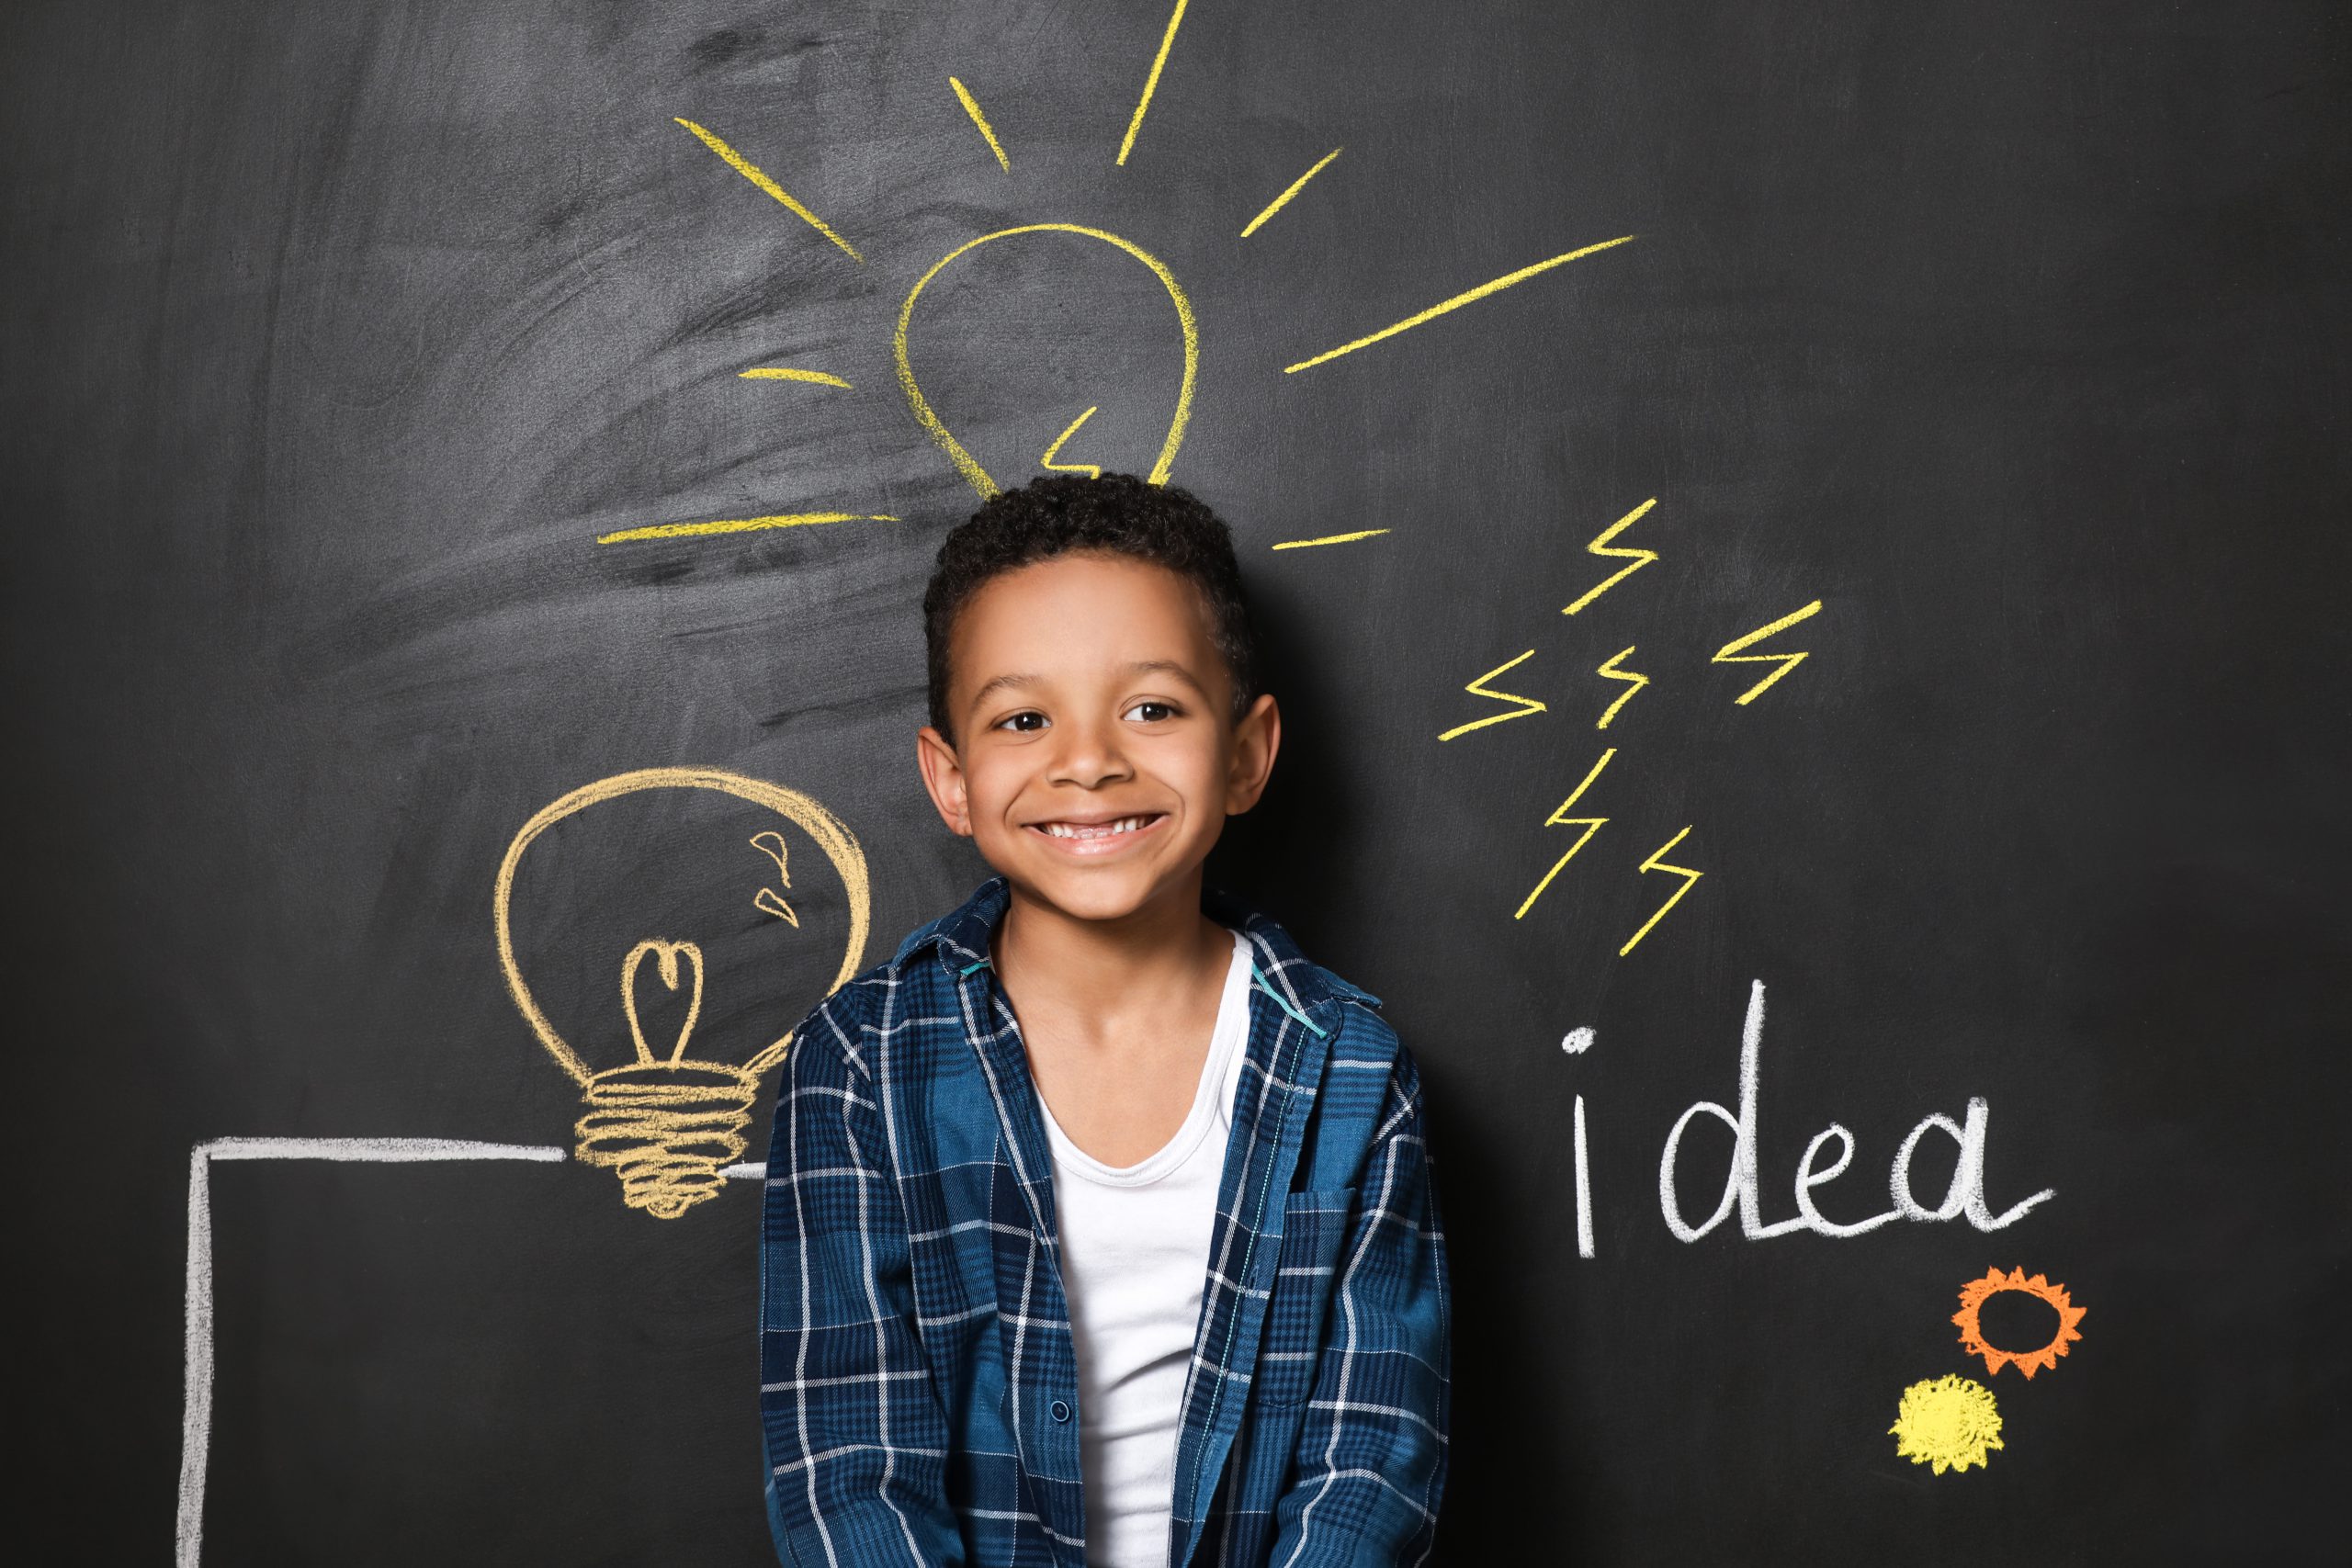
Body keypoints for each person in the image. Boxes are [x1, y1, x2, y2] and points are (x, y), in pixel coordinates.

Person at [758, 474, 1450, 1568]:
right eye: (1024, 719)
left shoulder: (1348, 1072)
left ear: (1245, 752)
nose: (1087, 762)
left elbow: (1371, 1464)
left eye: (1152, 709)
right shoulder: (860, 1067)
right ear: (951, 778)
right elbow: (850, 1475)